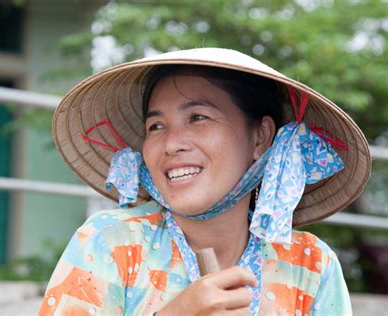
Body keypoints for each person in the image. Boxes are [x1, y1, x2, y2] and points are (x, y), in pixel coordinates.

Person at [39, 48, 371, 315]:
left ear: (260, 137)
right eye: (156, 127)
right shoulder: (111, 243)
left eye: (198, 118)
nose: (171, 144)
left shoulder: (310, 265)